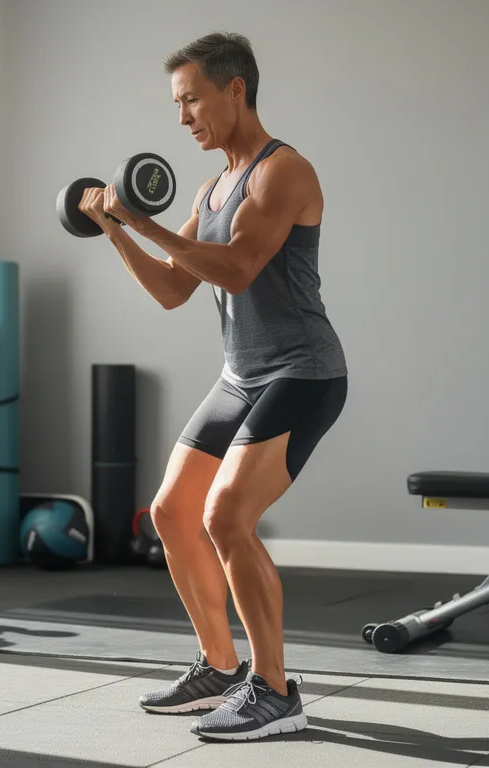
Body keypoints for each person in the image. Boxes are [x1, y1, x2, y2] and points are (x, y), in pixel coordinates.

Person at [77, 31, 347, 742]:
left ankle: (277, 690)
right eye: (177, 103)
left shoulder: (281, 173)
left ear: (235, 90)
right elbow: (174, 289)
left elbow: (235, 268)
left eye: (191, 99)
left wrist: (141, 217)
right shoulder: (212, 186)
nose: (183, 117)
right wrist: (116, 230)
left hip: (303, 371)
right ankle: (221, 668)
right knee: (172, 513)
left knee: (226, 516)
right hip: (242, 374)